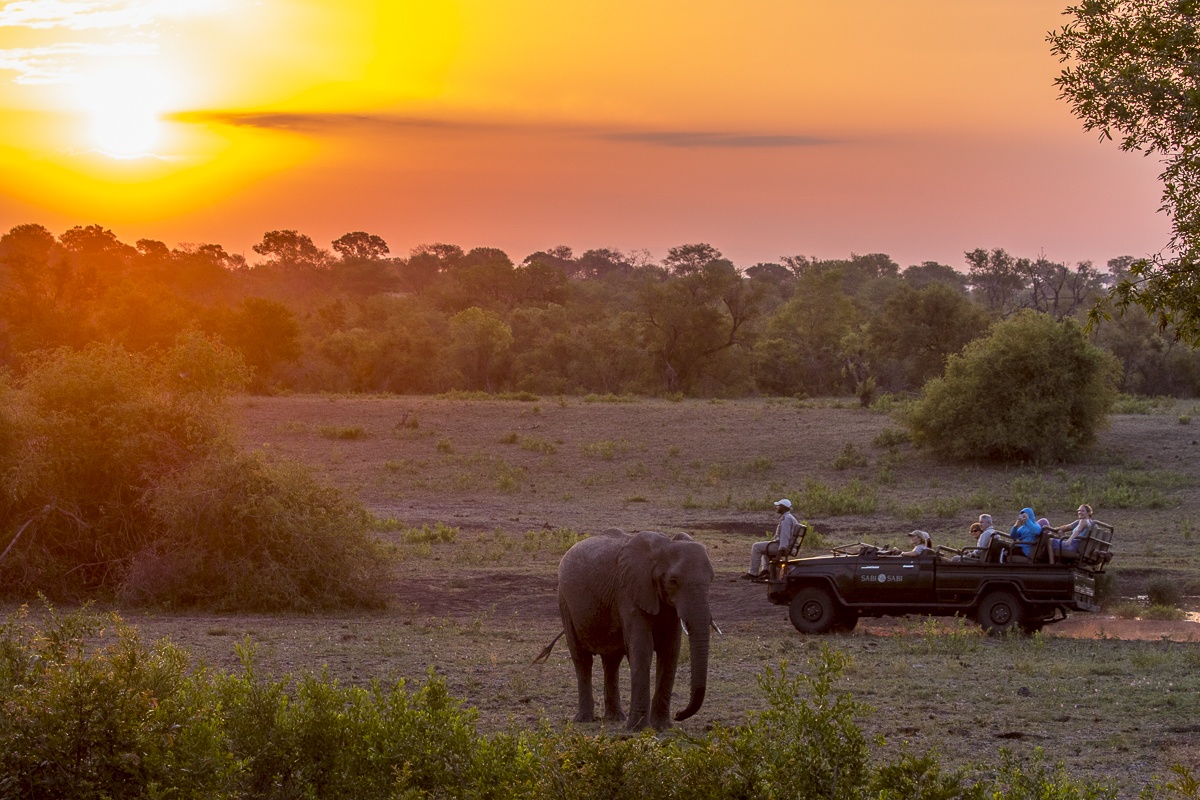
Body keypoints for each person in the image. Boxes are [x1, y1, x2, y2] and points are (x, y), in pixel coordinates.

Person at [744, 499, 801, 580]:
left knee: (756, 547)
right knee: (764, 547)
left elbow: (785, 537)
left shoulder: (786, 519)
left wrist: (779, 553)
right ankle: (766, 571)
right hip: (788, 546)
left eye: (778, 506)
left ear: (783, 507)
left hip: (784, 547)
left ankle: (753, 573)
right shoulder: (789, 517)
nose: (777, 508)